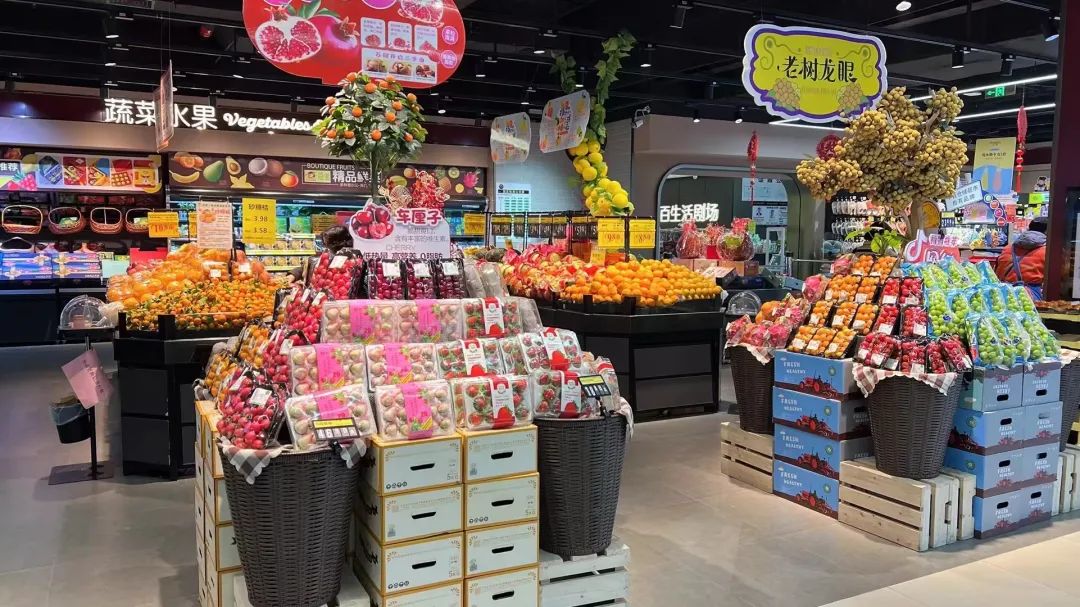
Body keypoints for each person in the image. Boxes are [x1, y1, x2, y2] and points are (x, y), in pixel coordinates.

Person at [994, 218, 1047, 300]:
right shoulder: (1047, 252)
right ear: (1047, 232)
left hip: (1003, 295)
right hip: (1029, 297)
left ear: (1029, 229)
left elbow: (997, 273)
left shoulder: (1008, 248)